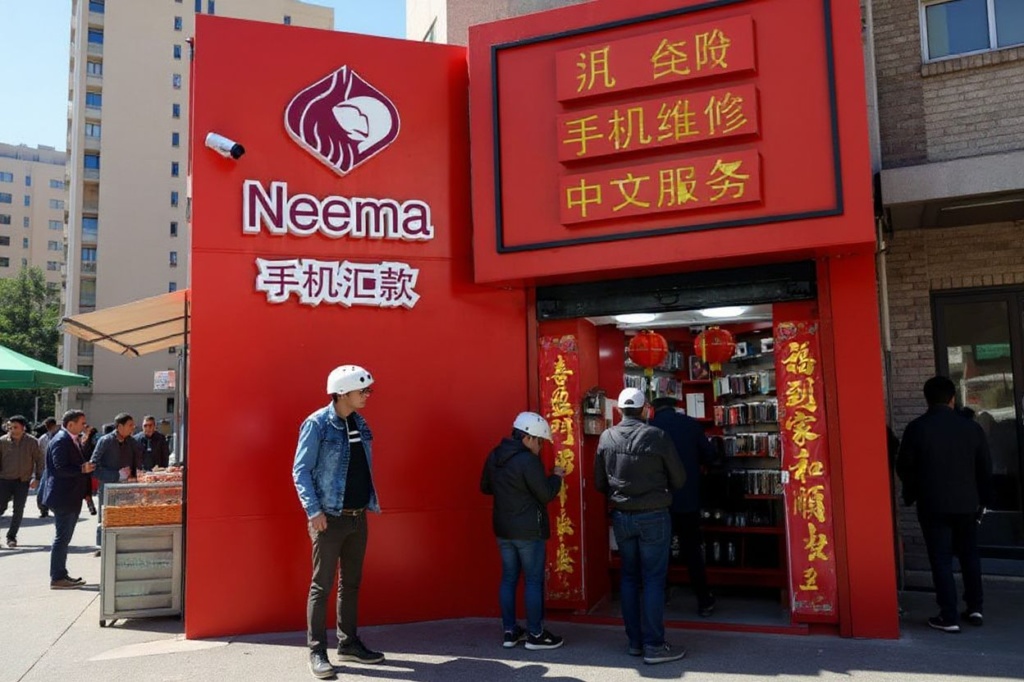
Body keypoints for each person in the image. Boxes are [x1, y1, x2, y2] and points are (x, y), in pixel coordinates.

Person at [293, 365, 384, 680]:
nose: (368, 395)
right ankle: (317, 651)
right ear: (344, 392)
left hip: (358, 516)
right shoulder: (317, 424)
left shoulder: (360, 423)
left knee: (352, 584)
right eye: (364, 390)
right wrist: (313, 510)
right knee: (322, 585)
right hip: (328, 519)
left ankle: (349, 644)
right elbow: (301, 470)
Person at [595, 387, 687, 665]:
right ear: (646, 408)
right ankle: (654, 645)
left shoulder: (606, 437)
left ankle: (634, 642)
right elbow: (679, 478)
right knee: (653, 580)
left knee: (629, 578)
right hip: (654, 515)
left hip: (622, 516)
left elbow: (600, 482)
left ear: (620, 409)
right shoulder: (656, 436)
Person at [896, 376, 994, 633]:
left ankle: (948, 615)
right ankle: (975, 607)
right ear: (953, 399)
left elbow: (904, 466)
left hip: (933, 503)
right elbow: (985, 467)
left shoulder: (917, 428)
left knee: (940, 559)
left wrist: (913, 491)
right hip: (967, 503)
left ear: (927, 398)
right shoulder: (971, 428)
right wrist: (983, 499)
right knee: (969, 555)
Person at [480, 412, 566, 651]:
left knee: (508, 578)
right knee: (533, 581)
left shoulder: (496, 455)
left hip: (503, 528)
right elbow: (546, 494)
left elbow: (485, 487)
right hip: (529, 531)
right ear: (528, 437)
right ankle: (536, 634)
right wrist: (556, 477)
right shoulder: (528, 461)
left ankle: (509, 632)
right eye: (540, 441)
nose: (540, 447)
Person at [649, 396, 717, 617]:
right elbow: (711, 456)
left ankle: (660, 596)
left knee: (659, 551)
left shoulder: (649, 428)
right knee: (693, 551)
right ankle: (704, 600)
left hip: (658, 502)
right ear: (675, 408)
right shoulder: (691, 424)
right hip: (688, 500)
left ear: (653, 410)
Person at [40, 410, 95, 588]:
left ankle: (61, 574)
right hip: (63, 496)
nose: (84, 426)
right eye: (81, 423)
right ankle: (57, 577)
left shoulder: (70, 439)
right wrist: (82, 469)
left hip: (69, 496)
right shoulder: (61, 440)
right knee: (62, 538)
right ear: (71, 424)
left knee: (64, 538)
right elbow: (59, 468)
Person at [91, 413, 143, 550]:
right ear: (119, 426)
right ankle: (101, 547)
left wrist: (135, 476)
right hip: (108, 487)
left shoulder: (132, 442)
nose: (133, 428)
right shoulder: (105, 441)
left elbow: (137, 464)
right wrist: (115, 475)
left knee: (125, 517)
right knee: (105, 518)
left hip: (127, 488)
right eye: (130, 425)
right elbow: (93, 467)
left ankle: (123, 545)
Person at [0, 416, 43, 548]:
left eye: (15, 427)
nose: (12, 430)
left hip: (22, 481)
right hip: (4, 480)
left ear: (23, 428)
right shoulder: (3, 441)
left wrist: (37, 478)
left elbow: (39, 460)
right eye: (10, 427)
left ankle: (11, 537)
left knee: (18, 510)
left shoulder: (32, 442)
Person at [35, 417, 59, 518]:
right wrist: (37, 473)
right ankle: (43, 510)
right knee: (41, 492)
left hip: (58, 470)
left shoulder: (61, 437)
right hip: (46, 469)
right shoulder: (43, 439)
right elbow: (39, 456)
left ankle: (58, 511)